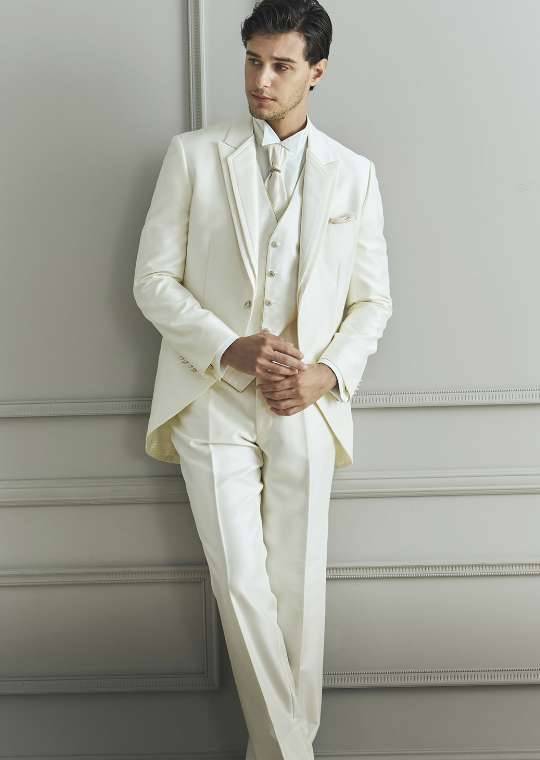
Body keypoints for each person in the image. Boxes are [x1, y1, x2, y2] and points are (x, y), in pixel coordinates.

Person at [133, 1, 392, 757]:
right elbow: (152, 281)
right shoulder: (192, 156)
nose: (261, 79)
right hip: (210, 399)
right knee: (241, 582)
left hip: (304, 405)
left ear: (317, 71)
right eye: (253, 60)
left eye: (281, 65)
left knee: (299, 593)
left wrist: (326, 375)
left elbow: (373, 301)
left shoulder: (355, 175)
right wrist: (229, 349)